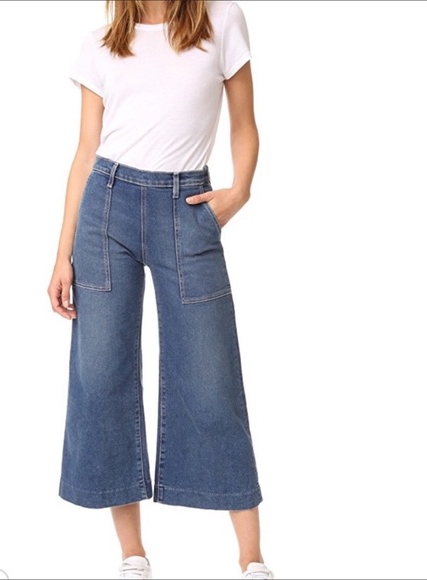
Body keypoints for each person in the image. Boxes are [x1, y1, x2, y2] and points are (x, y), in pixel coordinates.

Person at [47, 1, 274, 578]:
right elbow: (85, 153)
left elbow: (244, 123)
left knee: (212, 380)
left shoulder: (221, 21)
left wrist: (239, 190)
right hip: (106, 209)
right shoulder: (101, 44)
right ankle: (133, 554)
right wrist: (61, 254)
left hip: (187, 205)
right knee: (103, 376)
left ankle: (252, 558)